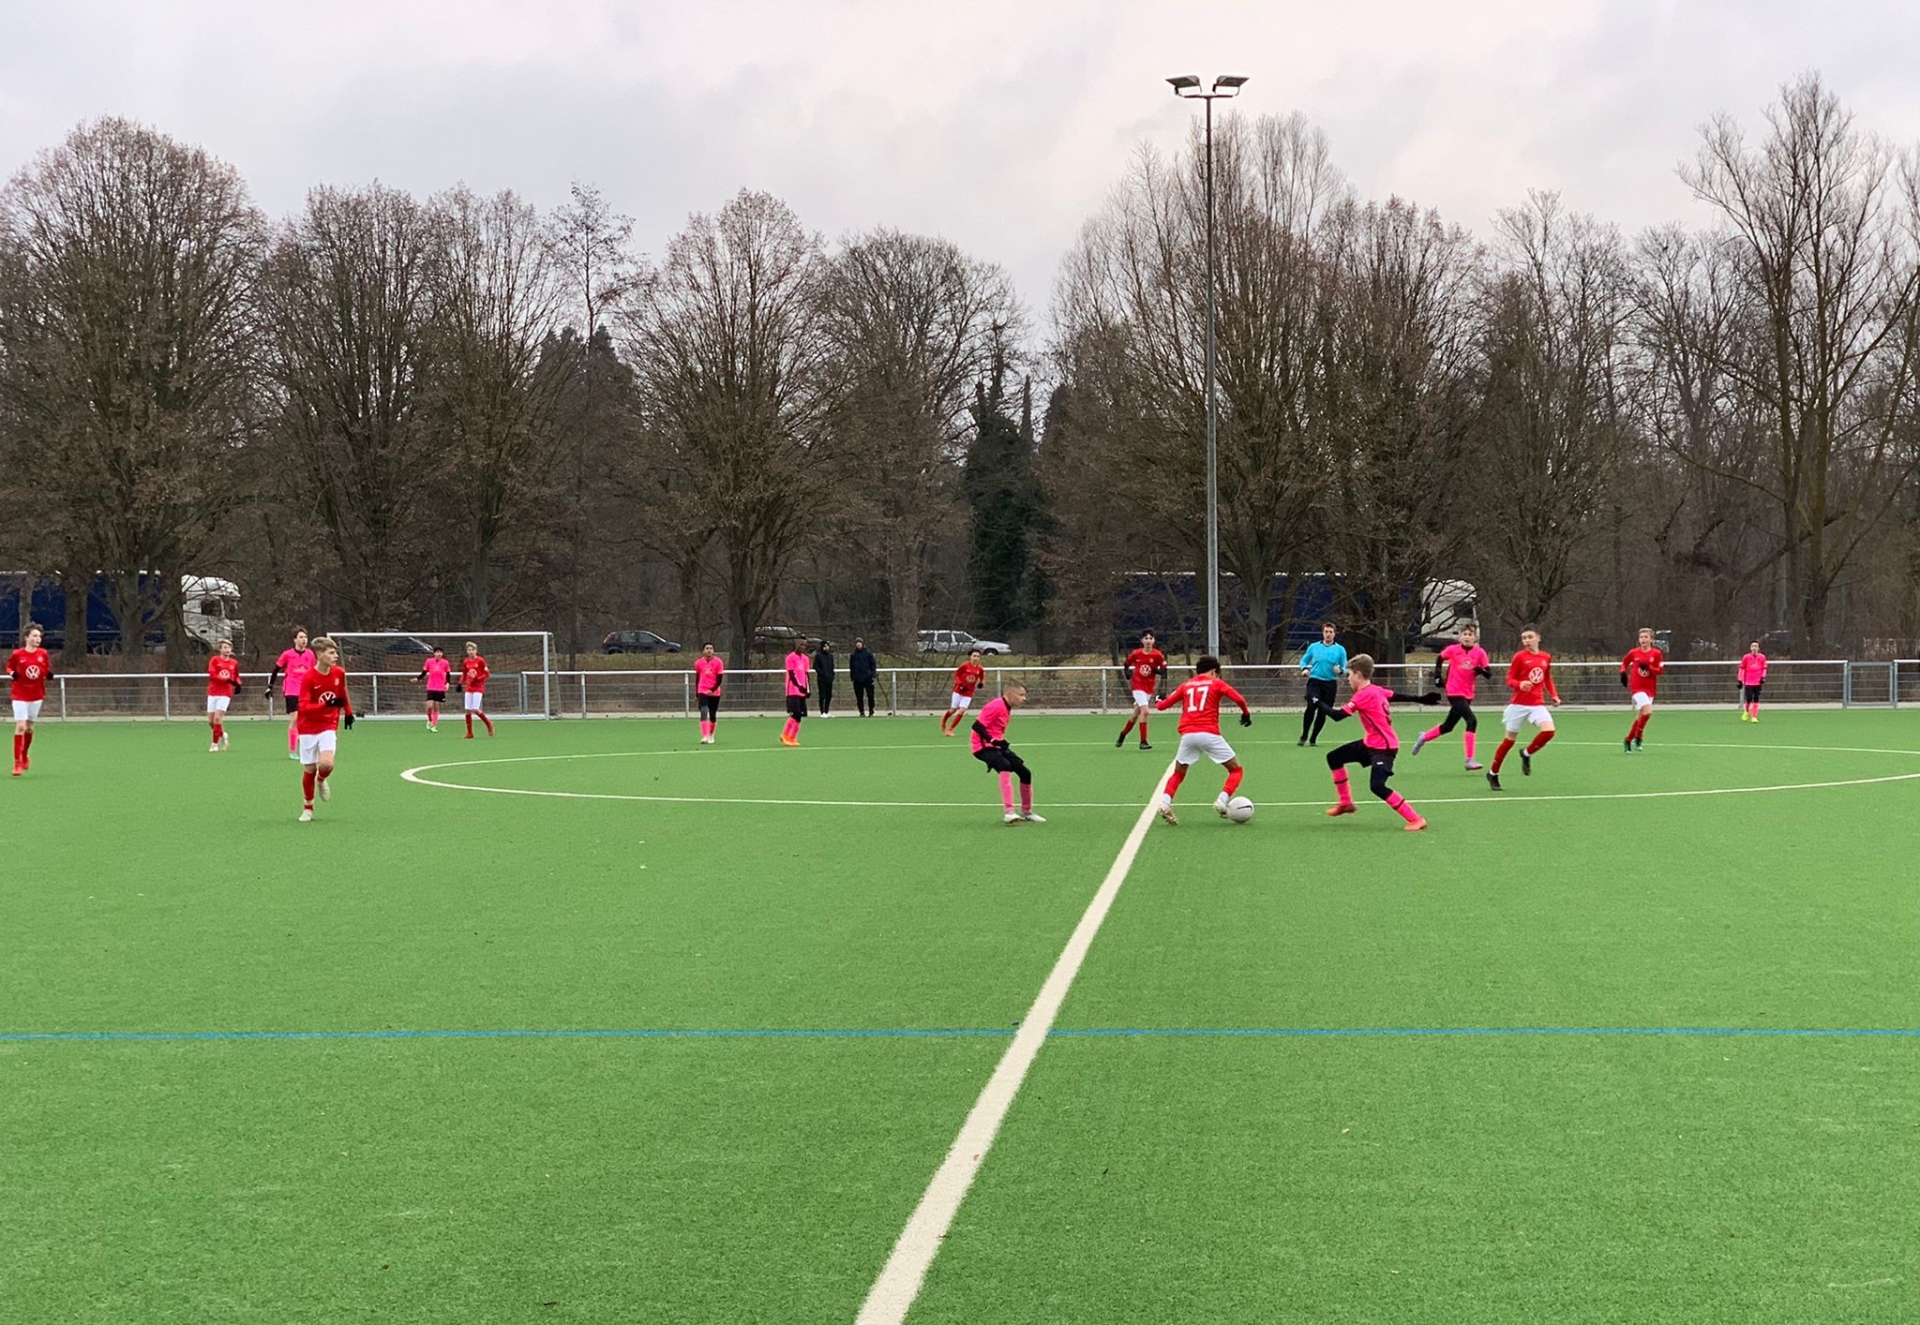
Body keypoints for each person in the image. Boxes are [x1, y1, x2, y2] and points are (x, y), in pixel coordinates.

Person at [1314, 653, 1439, 830]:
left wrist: (1317, 702)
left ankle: (1416, 819)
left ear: (1358, 674)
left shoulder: (1362, 695)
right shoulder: (1376, 690)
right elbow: (1396, 696)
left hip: (1384, 748)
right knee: (1334, 757)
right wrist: (1421, 699)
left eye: (1349, 675)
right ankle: (1345, 803)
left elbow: (1337, 716)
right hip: (1370, 744)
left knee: (1377, 786)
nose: (1348, 679)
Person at [1153, 655, 1253, 826]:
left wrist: (1158, 700)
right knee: (1236, 770)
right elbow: (1239, 699)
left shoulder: (1186, 685)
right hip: (1209, 734)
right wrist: (1246, 713)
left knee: (1178, 773)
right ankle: (1222, 801)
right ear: (1214, 671)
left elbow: (1162, 706)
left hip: (1188, 736)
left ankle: (1164, 802)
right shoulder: (1216, 683)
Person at [1411, 622, 1493, 769]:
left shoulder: (1480, 653)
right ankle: (1469, 760)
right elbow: (1440, 658)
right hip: (1454, 691)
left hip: (1468, 693)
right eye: (1464, 634)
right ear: (1460, 637)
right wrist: (1438, 676)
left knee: (1448, 727)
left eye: (1470, 634)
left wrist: (1480, 670)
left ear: (1475, 638)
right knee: (1472, 721)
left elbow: (1488, 674)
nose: (1467, 637)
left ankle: (1424, 737)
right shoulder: (1453, 650)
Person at [1488, 627, 1559, 791]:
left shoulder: (1545, 657)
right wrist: (1519, 684)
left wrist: (1554, 695)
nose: (1527, 640)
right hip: (1518, 705)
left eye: (1530, 637)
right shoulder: (1519, 657)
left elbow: (1547, 678)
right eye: (1524, 638)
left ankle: (1526, 753)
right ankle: (1493, 773)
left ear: (1538, 638)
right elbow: (1509, 679)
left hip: (1537, 704)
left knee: (1549, 731)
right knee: (1508, 741)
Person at [295, 636, 354, 822]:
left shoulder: (339, 673)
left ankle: (321, 780)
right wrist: (325, 705)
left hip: (328, 725)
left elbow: (342, 693)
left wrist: (349, 712)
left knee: (327, 764)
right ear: (320, 655)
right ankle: (308, 807)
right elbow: (303, 707)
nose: (335, 656)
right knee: (310, 768)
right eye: (331, 653)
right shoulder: (309, 678)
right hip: (307, 727)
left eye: (335, 652)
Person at [972, 679, 1043, 824]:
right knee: (1005, 766)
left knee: (1025, 773)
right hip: (982, 746)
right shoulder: (996, 705)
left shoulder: (1006, 707)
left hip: (998, 745)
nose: (1024, 699)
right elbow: (977, 726)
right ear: (1009, 694)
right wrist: (992, 740)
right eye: (1021, 695)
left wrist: (997, 742)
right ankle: (1009, 813)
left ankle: (1027, 812)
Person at [8, 624, 52, 777]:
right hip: (19, 694)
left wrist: (48, 674)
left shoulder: (43, 653)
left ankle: (25, 754)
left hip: (36, 694)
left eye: (39, 636)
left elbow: (44, 669)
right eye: (34, 636)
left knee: (29, 728)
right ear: (27, 638)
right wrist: (13, 674)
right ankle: (17, 763)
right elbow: (9, 667)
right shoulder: (17, 654)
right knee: (20, 726)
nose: (38, 639)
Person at [268, 629, 316, 760]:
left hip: (306, 690)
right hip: (292, 689)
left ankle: (303, 741)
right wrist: (270, 687)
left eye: (305, 637)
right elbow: (276, 670)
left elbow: (314, 672)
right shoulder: (287, 654)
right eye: (301, 637)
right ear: (295, 640)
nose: (304, 639)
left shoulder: (310, 654)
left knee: (306, 719)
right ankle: (293, 750)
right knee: (295, 718)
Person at [1297, 622, 1348, 747]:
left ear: (1334, 634)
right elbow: (1304, 660)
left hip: (1330, 684)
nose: (1328, 634)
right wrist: (1304, 668)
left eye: (1330, 632)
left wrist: (1340, 671)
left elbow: (1345, 667)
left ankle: (1313, 738)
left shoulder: (1340, 650)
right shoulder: (1314, 647)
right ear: (1323, 633)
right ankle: (1304, 735)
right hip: (1315, 681)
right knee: (1311, 706)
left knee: (1322, 712)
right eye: (1326, 632)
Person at [1115, 630, 1167, 750]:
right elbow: (1127, 664)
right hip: (1137, 686)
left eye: (1150, 638)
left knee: (1135, 714)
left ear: (1154, 640)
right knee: (1146, 711)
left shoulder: (1157, 655)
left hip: (1149, 687)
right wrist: (1127, 673)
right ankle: (1143, 741)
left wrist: (1156, 671)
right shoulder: (1136, 653)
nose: (1148, 641)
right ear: (1142, 640)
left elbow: (1164, 670)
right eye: (1146, 638)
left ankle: (1123, 734)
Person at [1619, 626, 1665, 752]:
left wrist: (1649, 668)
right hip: (1637, 686)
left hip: (1650, 687)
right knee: (1648, 711)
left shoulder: (1656, 653)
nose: (1643, 639)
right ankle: (1638, 736)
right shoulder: (1634, 652)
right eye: (1641, 637)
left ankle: (1628, 740)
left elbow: (1660, 671)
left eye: (1646, 637)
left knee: (1642, 715)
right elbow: (1624, 663)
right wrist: (1622, 672)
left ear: (1651, 639)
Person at [206, 638, 242, 752]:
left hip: (225, 693)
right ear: (220, 649)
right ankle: (222, 734)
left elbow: (236, 676)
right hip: (213, 692)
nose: (227, 650)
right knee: (211, 721)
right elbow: (213, 675)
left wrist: (238, 684)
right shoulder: (214, 660)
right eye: (225, 647)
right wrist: (226, 680)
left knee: (217, 718)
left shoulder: (234, 663)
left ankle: (214, 744)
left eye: (229, 647)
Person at [940, 649, 986, 737]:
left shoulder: (980, 668)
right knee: (953, 710)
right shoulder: (965, 665)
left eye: (978, 656)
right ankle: (944, 720)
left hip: (969, 692)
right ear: (970, 657)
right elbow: (957, 675)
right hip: (958, 690)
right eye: (974, 656)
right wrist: (960, 684)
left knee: (961, 711)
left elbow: (982, 678)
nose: (976, 658)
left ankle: (950, 729)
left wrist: (981, 683)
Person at [781, 635, 811, 746]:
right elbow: (792, 675)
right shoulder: (790, 658)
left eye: (805, 645)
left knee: (800, 715)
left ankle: (788, 735)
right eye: (801, 645)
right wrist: (799, 686)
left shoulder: (805, 659)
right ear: (796, 645)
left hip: (802, 691)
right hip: (793, 691)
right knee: (796, 714)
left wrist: (807, 688)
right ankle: (789, 737)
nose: (803, 647)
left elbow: (806, 675)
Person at [459, 641, 494, 738]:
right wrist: (460, 683)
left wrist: (478, 678)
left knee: (475, 709)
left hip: (478, 687)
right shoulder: (466, 661)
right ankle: (470, 733)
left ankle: (489, 723)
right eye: (469, 650)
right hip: (469, 687)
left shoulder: (480, 661)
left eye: (472, 650)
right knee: (467, 710)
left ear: (476, 651)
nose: (471, 652)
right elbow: (464, 674)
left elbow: (487, 674)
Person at [694, 642, 724, 744]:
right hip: (702, 690)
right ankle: (705, 736)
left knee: (712, 714)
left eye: (711, 648)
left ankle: (711, 734)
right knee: (703, 711)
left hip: (714, 692)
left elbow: (719, 679)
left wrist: (712, 690)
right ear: (703, 651)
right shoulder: (698, 663)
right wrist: (697, 691)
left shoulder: (718, 662)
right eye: (707, 648)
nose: (709, 650)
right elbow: (698, 678)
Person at [418, 646, 452, 732]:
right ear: (434, 653)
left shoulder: (445, 663)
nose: (438, 654)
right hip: (431, 686)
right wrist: (418, 678)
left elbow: (448, 674)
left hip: (440, 687)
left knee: (436, 707)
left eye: (440, 652)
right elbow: (424, 672)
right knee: (429, 706)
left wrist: (448, 683)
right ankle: (430, 720)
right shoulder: (429, 661)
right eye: (437, 652)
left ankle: (434, 725)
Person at [1738, 641, 1768, 722]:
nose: (1754, 648)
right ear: (1750, 648)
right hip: (1748, 681)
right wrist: (1740, 679)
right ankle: (1746, 711)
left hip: (1758, 681)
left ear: (1758, 648)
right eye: (1752, 646)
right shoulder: (1746, 657)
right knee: (1749, 698)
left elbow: (1764, 668)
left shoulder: (1762, 657)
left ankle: (1754, 716)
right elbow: (1741, 668)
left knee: (1756, 698)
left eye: (1756, 646)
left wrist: (1763, 677)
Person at [849, 637, 879, 717]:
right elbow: (851, 667)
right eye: (857, 643)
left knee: (870, 696)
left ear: (862, 644)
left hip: (868, 678)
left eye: (859, 643)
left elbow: (873, 665)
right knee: (859, 697)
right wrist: (852, 677)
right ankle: (861, 711)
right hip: (857, 679)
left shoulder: (868, 653)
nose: (858, 644)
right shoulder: (853, 655)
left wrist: (873, 675)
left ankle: (871, 710)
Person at [814, 639, 837, 717]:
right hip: (822, 679)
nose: (827, 648)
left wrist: (832, 675)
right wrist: (822, 674)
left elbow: (832, 667)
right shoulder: (818, 656)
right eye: (825, 646)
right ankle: (822, 712)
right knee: (822, 695)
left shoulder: (830, 656)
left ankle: (827, 711)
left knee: (829, 695)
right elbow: (816, 667)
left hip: (829, 679)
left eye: (827, 646)